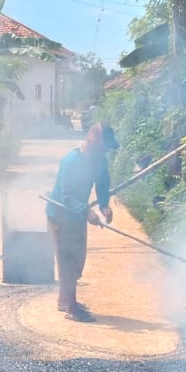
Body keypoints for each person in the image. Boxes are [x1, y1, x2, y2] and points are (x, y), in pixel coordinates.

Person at [45, 123, 118, 321]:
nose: (106, 152)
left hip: (76, 214)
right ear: (94, 142)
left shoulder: (100, 161)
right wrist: (87, 212)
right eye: (104, 147)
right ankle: (72, 308)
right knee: (68, 260)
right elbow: (66, 196)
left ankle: (64, 300)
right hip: (59, 214)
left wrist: (104, 206)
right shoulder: (72, 161)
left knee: (77, 258)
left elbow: (103, 183)